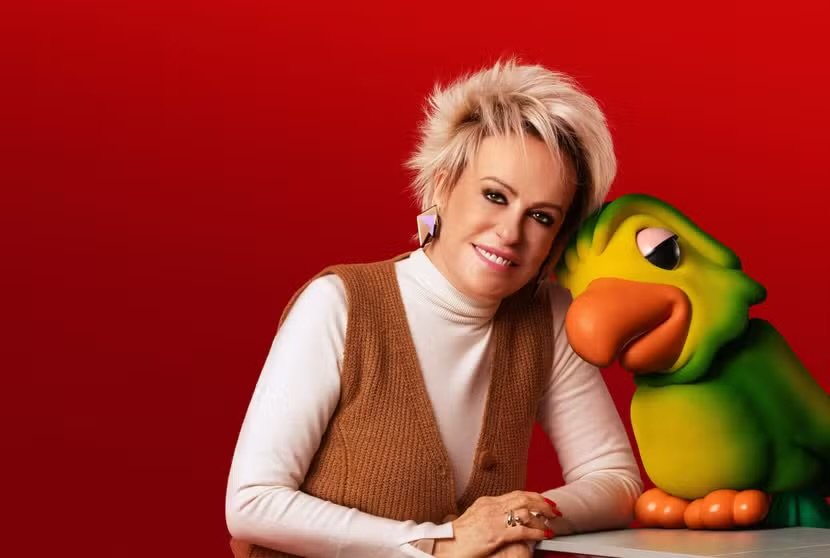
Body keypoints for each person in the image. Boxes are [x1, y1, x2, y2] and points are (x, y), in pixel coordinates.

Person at [225, 58, 642, 558]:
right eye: (495, 196)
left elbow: (616, 482)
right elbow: (252, 502)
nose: (510, 232)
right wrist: (438, 545)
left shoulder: (545, 316)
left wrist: (514, 522)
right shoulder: (340, 304)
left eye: (541, 216)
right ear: (443, 185)